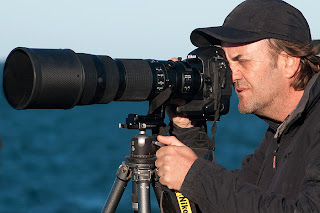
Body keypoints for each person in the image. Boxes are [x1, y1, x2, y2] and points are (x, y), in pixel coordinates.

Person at [155, 0, 320, 212]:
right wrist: (187, 127)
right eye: (228, 63)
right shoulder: (281, 130)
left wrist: (197, 176)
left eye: (243, 61)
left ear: (289, 62)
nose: (231, 76)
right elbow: (235, 202)